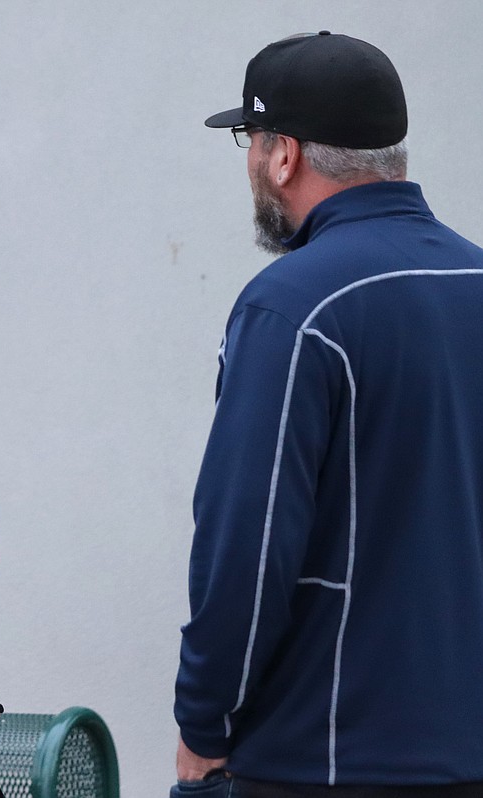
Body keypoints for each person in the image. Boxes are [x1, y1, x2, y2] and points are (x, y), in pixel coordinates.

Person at [174, 31, 483, 795]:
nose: (250, 165)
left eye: (250, 141)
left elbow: (247, 539)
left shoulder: (296, 305)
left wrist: (204, 722)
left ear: (284, 155)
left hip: (330, 755)